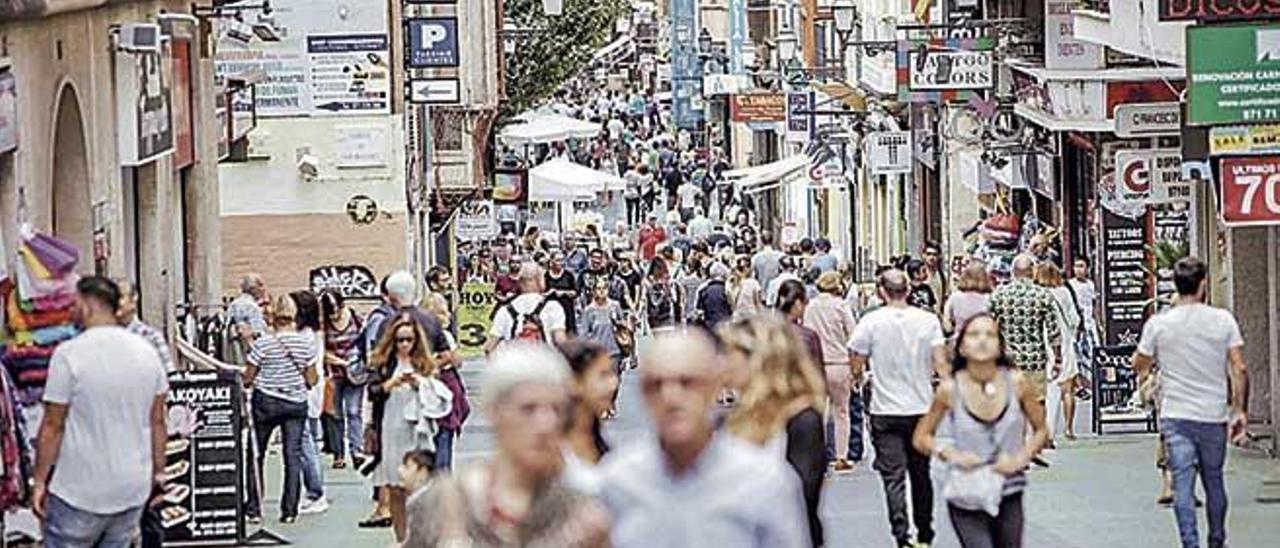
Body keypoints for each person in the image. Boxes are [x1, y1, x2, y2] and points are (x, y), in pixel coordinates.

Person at [597, 333, 809, 547]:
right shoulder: (616, 483)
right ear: (643, 394)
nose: (671, 398)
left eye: (688, 383)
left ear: (715, 387)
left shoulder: (765, 483)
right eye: (656, 385)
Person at [403, 343, 609, 547]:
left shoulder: (581, 516)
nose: (545, 424)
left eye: (557, 409)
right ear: (493, 410)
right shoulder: (442, 505)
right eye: (528, 409)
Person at [34, 277, 168, 548]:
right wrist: (158, 472)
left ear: (87, 304)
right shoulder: (147, 352)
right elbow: (157, 421)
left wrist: (38, 480)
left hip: (78, 488)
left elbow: (52, 425)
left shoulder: (69, 354)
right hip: (131, 487)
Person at [1133, 257, 1250, 548]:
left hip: (1176, 415)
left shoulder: (1159, 324)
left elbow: (1139, 361)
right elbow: (1240, 369)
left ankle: (1190, 543)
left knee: (1183, 483)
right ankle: (1217, 540)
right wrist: (1240, 410)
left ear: (1176, 285)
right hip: (1213, 414)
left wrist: (1151, 367)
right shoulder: (1222, 320)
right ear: (1203, 285)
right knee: (1214, 480)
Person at [913, 314, 1050, 548]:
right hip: (966, 492)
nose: (982, 341)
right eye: (974, 335)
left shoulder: (1017, 383)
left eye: (990, 335)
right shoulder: (949, 389)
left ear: (1000, 345)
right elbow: (921, 437)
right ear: (962, 346)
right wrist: (951, 454)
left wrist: (1020, 458)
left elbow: (1041, 430)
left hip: (1008, 488)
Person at [849, 269, 949, 548]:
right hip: (920, 408)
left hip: (885, 410)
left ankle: (901, 536)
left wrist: (859, 377)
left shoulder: (871, 322)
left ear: (882, 291)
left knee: (893, 477)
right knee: (921, 473)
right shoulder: (928, 321)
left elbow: (856, 359)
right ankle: (925, 534)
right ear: (908, 291)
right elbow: (941, 363)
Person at [721, 315, 829, 547]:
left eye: (731, 354)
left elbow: (802, 495)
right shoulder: (733, 418)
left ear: (757, 358)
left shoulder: (802, 420)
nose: (724, 363)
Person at [243, 294, 318, 524]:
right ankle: (289, 510)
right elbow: (312, 379)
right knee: (292, 455)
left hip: (266, 401)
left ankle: (254, 508)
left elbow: (248, 377)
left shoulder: (263, 343)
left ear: (273, 316)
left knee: (256, 453)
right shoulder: (306, 343)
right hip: (295, 402)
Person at [368, 316, 442, 542]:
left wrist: (420, 384)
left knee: (419, 486)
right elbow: (372, 392)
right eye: (400, 340)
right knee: (395, 487)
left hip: (416, 428)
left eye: (409, 339)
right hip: (390, 426)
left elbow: (436, 394)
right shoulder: (383, 363)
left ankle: (420, 537)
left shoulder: (424, 363)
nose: (404, 344)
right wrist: (391, 384)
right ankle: (401, 539)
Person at [989, 255, 1062, 433]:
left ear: (1013, 272)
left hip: (1009, 358)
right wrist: (1058, 357)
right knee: (1038, 400)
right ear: (1032, 271)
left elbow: (987, 323)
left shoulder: (1000, 294)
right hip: (1035, 358)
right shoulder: (1042, 295)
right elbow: (1054, 330)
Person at [805, 271, 859, 473]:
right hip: (839, 363)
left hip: (817, 363)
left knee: (819, 411)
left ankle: (816, 453)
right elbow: (854, 335)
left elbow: (808, 333)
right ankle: (841, 456)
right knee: (842, 411)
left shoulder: (811, 307)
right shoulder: (841, 306)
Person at [557, 340, 621, 493]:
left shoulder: (603, 447)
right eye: (603, 376)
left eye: (612, 374)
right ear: (574, 382)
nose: (613, 383)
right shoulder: (552, 453)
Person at [290, 290, 329, 516]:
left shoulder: (305, 335)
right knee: (310, 442)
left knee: (307, 444)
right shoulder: (313, 333)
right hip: (312, 391)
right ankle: (314, 490)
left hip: (305, 392)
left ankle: (315, 492)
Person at [1035, 262, 1081, 443]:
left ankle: (1045, 431)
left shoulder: (1038, 294)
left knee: (1046, 391)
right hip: (1065, 343)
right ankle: (1068, 428)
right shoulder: (1064, 293)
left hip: (1043, 344)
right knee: (1067, 389)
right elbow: (1074, 319)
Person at [320, 290, 365, 470]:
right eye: (330, 313)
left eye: (336, 310)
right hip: (335, 374)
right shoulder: (324, 325)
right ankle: (339, 454)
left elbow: (365, 344)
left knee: (354, 412)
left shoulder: (357, 319)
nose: (334, 315)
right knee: (335, 414)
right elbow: (320, 351)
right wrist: (340, 362)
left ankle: (357, 452)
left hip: (356, 374)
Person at [487, 262, 568, 351]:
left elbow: (489, 348)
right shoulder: (553, 307)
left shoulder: (505, 310)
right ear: (537, 279)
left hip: (514, 362)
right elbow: (560, 341)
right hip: (544, 362)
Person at [115, 279, 174, 372]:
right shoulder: (104, 336)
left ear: (134, 298)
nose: (116, 302)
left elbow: (169, 376)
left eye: (120, 297)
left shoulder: (151, 337)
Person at [943, 262, 993, 336]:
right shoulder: (989, 299)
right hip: (982, 340)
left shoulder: (955, 297)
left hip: (959, 340)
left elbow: (946, 320)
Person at [640, 258, 681, 333]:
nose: (659, 272)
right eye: (657, 268)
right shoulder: (647, 282)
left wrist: (668, 288)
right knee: (659, 339)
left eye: (661, 268)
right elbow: (644, 299)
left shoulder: (668, 281)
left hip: (667, 315)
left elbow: (674, 299)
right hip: (654, 317)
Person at [545, 251, 580, 336]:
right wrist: (549, 292)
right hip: (551, 311)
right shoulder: (545, 275)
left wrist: (563, 292)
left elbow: (575, 292)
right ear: (551, 261)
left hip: (567, 309)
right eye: (557, 260)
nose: (560, 263)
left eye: (562, 260)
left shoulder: (568, 275)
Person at [692, 261, 733, 331]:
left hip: (709, 327)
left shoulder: (703, 289)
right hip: (725, 328)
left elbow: (698, 310)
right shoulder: (727, 290)